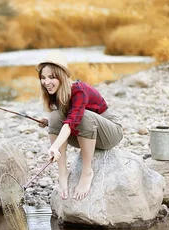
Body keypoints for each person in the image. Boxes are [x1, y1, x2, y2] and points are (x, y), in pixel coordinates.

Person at [36, 51, 124, 200]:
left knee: (84, 116)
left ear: (62, 76)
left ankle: (87, 171)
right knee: (54, 116)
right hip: (87, 132)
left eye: (51, 77)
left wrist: (54, 146)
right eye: (43, 78)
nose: (46, 82)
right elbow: (65, 118)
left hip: (110, 133)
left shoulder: (78, 90)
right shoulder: (55, 92)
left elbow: (73, 121)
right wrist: (49, 122)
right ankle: (63, 174)